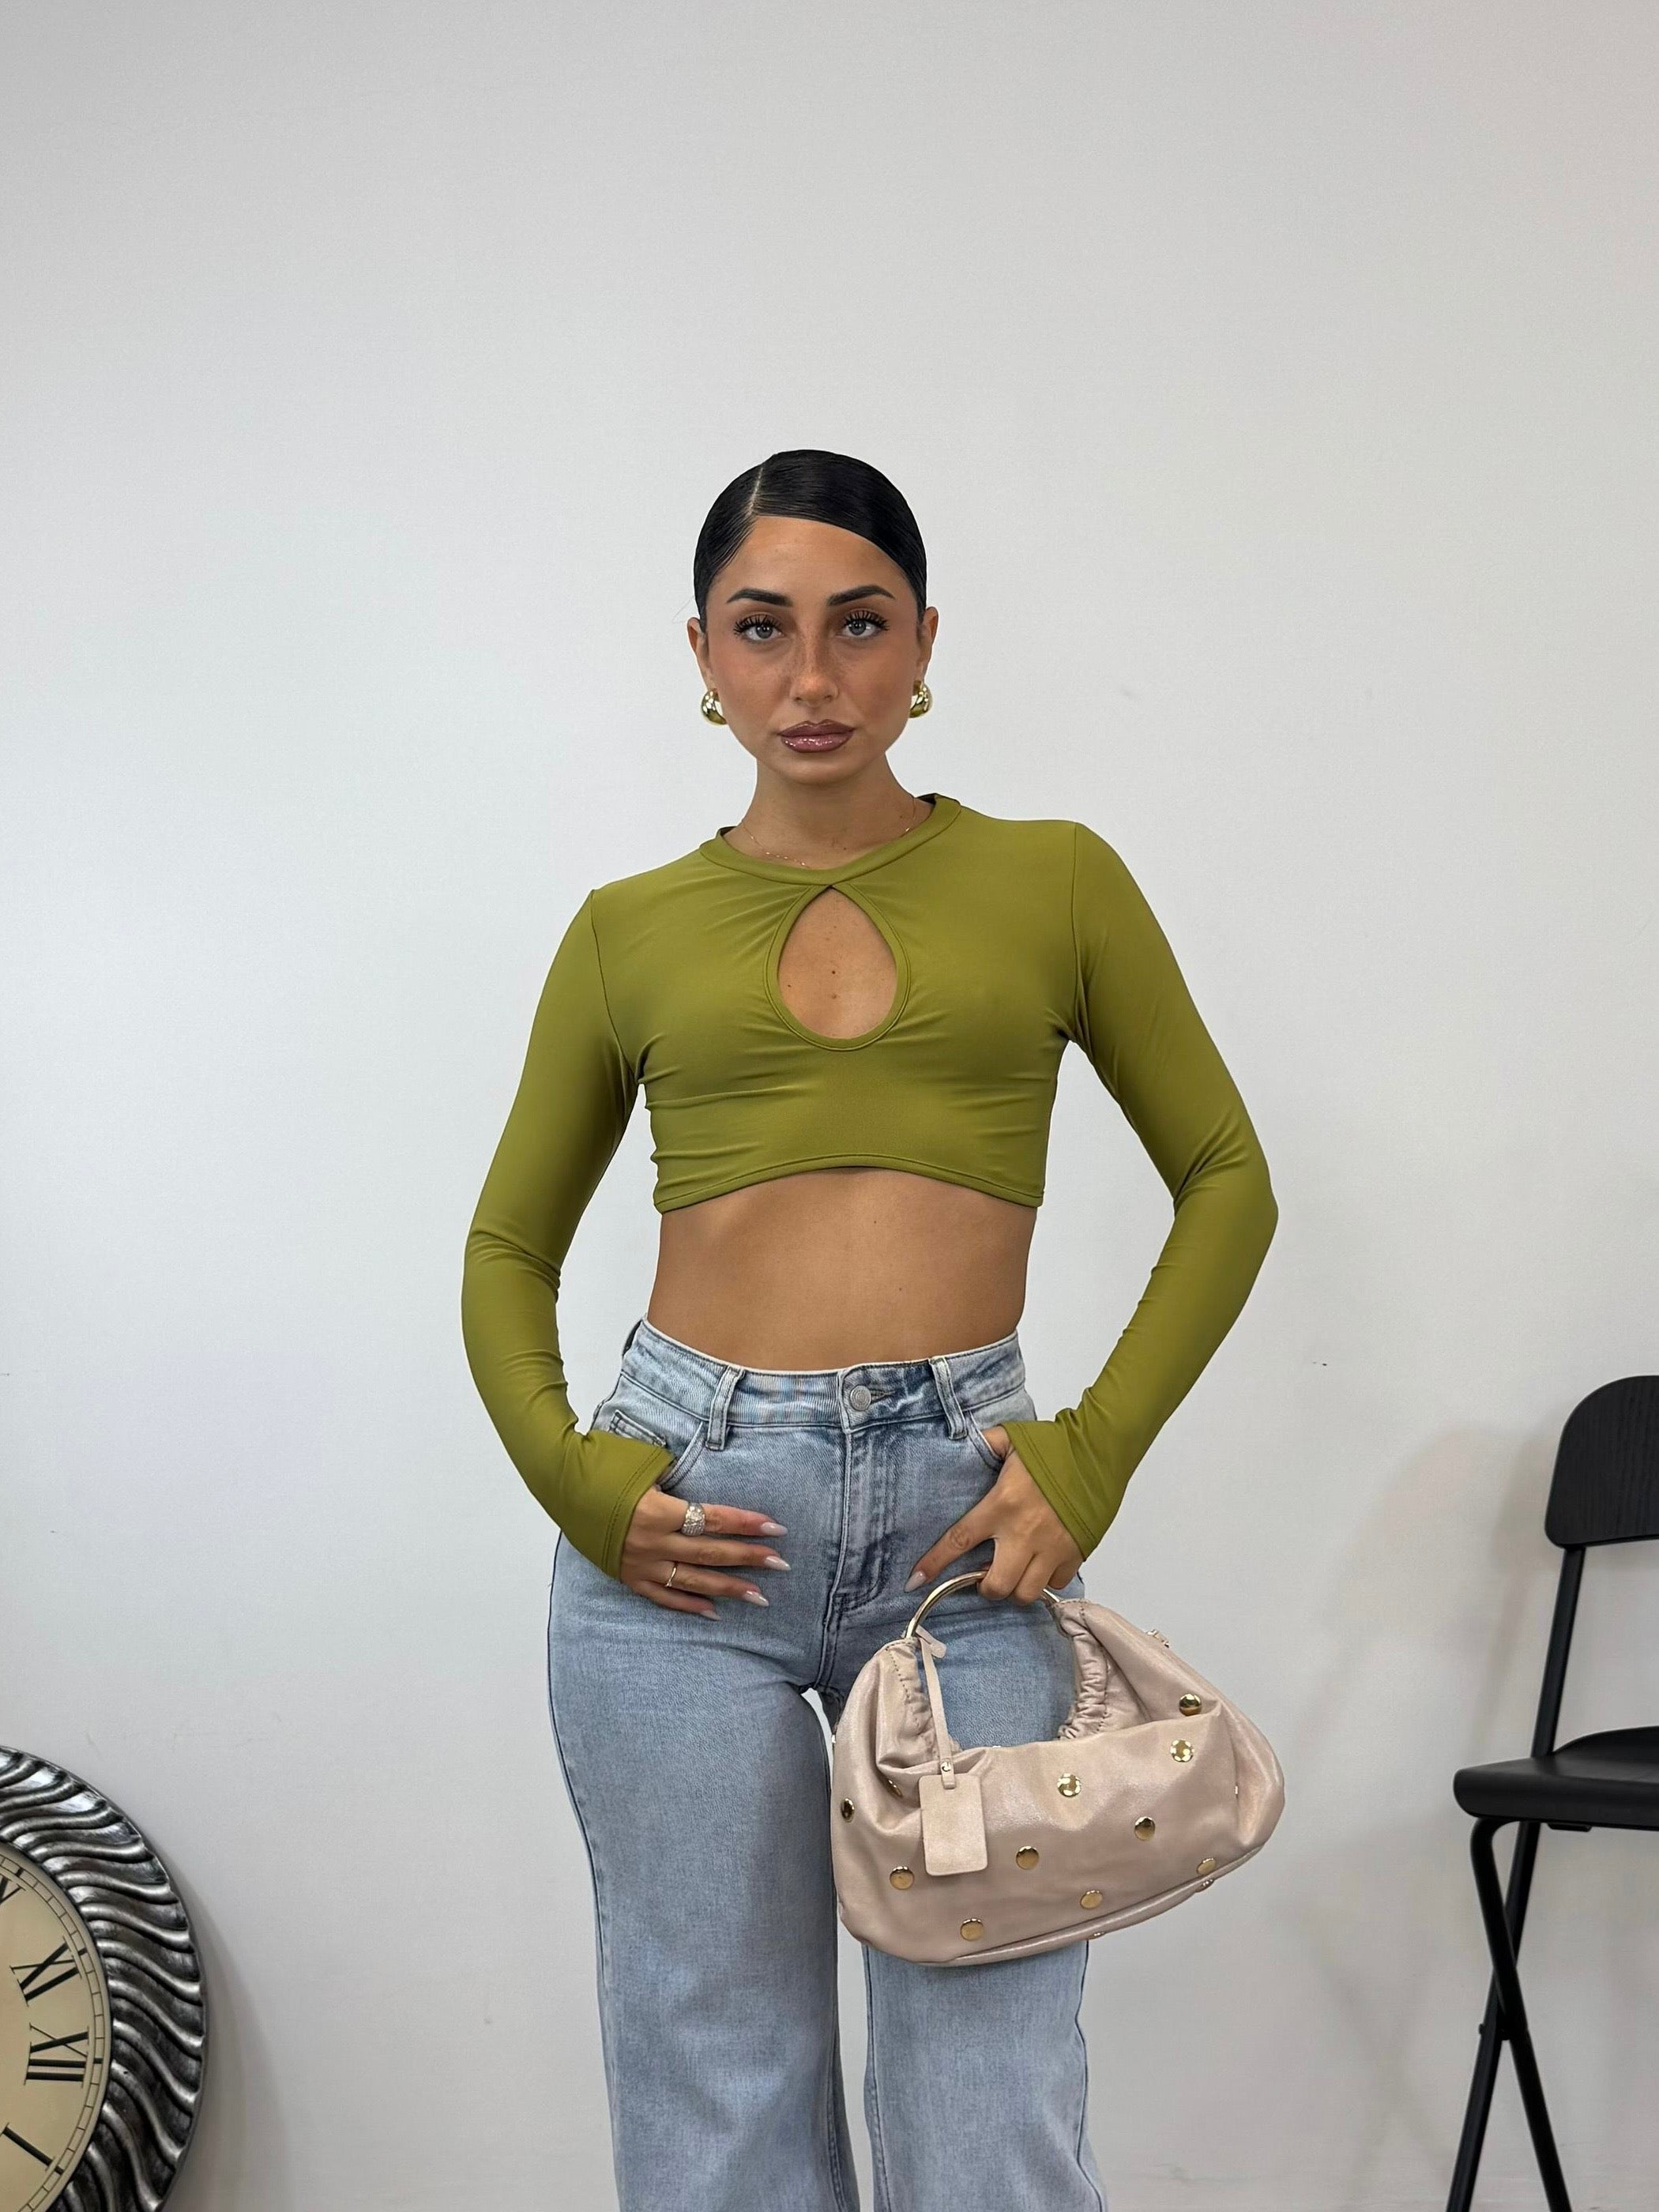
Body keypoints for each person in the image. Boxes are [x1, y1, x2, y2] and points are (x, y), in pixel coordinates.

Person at [460, 449, 1277, 2212]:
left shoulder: (1057, 881)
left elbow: (1228, 1179)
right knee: (720, 2096)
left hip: (966, 1531)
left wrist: (1091, 1455)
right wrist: (581, 1480)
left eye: (859, 624)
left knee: (990, 2113)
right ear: (704, 653)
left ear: (923, 644)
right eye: (763, 629)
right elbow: (506, 1245)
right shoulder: (625, 932)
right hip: (686, 1529)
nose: (812, 676)